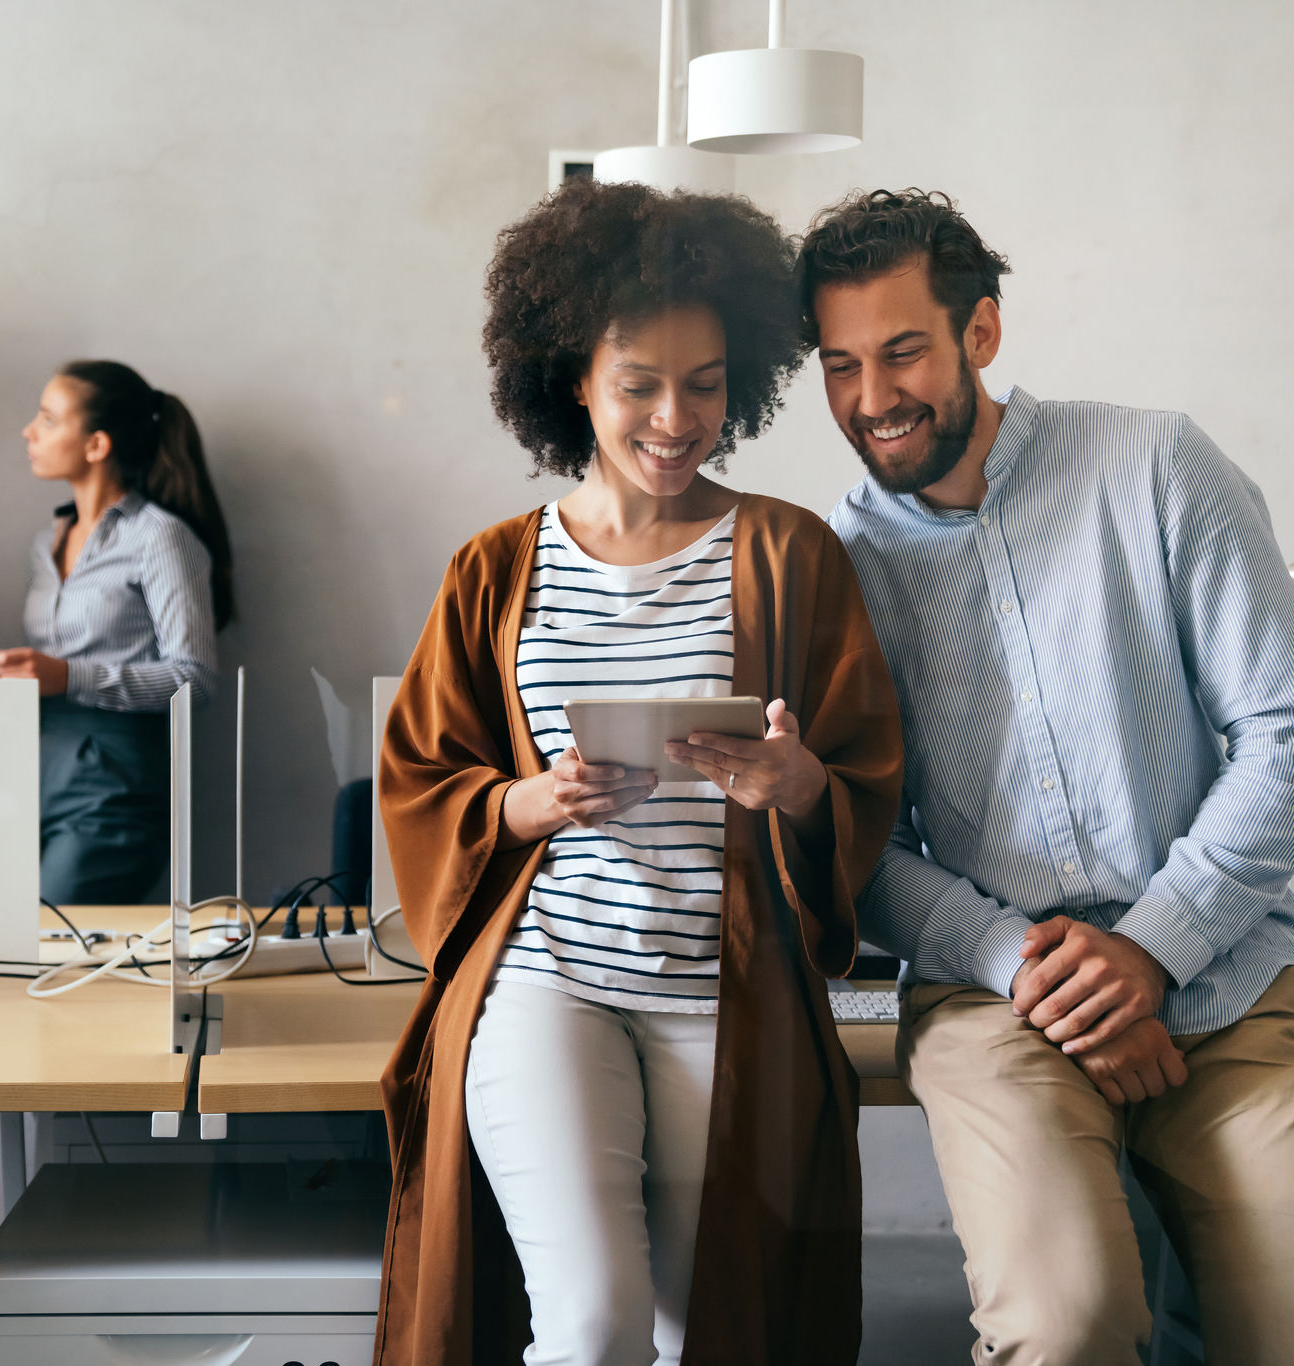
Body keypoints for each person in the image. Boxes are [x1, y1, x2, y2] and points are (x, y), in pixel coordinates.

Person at [810, 189, 1294, 1364]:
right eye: (837, 364)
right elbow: (854, 837)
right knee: (1065, 1326)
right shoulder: (837, 562)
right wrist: (1032, 968)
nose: (870, 399)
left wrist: (1152, 947)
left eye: (902, 350)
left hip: (1228, 976)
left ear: (980, 333)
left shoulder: (1157, 464)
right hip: (995, 994)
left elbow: (1291, 739)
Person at [375, 179, 902, 1365]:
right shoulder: (494, 568)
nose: (676, 417)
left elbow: (861, 774)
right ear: (572, 378)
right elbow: (423, 774)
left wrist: (793, 784)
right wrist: (528, 799)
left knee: (702, 1324)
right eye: (640, 386)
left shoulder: (787, 551)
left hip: (726, 988)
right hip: (549, 975)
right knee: (594, 1322)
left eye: (705, 384)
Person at [0, 361, 230, 906]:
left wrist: (68, 676)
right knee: (1, 949)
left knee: (50, 953)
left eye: (47, 418)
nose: (28, 431)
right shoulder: (48, 541)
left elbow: (196, 680)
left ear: (96, 445)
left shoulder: (161, 539)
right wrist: (15, 676)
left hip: (113, 787)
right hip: (32, 775)